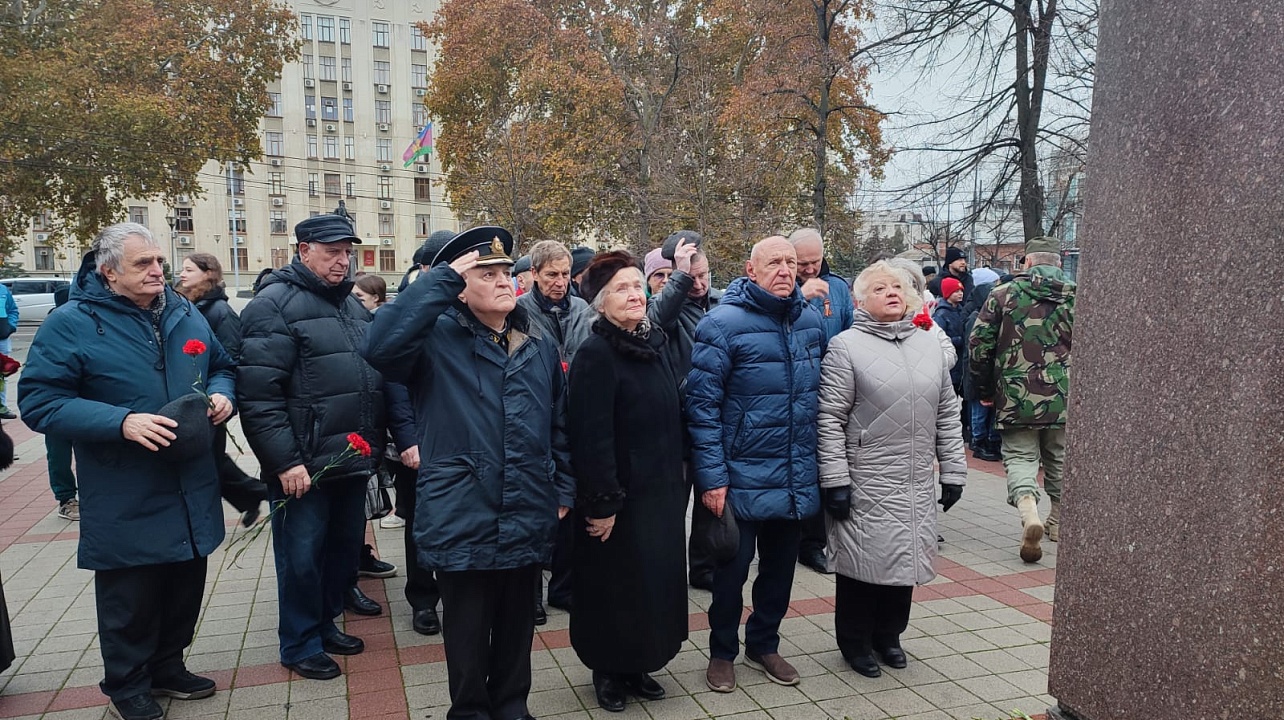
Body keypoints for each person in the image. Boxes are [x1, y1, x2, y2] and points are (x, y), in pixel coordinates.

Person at [19, 223, 235, 720]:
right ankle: (128, 684)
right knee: (131, 597)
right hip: (125, 485)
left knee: (184, 585)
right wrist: (121, 422)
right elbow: (40, 401)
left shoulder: (183, 311)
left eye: (160, 261)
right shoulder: (70, 322)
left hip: (189, 481)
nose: (158, 271)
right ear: (108, 271)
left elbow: (223, 365)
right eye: (143, 263)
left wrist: (223, 395)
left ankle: (168, 667)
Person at [361, 226, 574, 720]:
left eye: (506, 272)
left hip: (526, 503)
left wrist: (563, 486)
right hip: (463, 506)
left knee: (518, 625)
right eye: (486, 273)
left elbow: (559, 422)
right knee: (468, 630)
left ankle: (512, 707)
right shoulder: (433, 340)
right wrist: (438, 281)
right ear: (458, 286)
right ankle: (471, 712)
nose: (503, 281)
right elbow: (379, 347)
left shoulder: (537, 340)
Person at [239, 210, 386, 681]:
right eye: (332, 252)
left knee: (340, 553)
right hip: (303, 465)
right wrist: (284, 462)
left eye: (347, 253)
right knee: (301, 558)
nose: (343, 261)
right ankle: (299, 643)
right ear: (304, 251)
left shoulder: (351, 306)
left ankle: (324, 626)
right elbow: (259, 395)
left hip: (349, 457)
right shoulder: (273, 305)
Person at [686, 235, 824, 693]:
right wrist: (712, 479)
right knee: (731, 572)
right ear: (751, 270)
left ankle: (764, 644)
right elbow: (702, 407)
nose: (785, 270)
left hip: (793, 472)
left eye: (791, 262)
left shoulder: (809, 321)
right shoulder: (721, 324)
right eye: (774, 263)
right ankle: (722, 651)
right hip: (739, 476)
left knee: (780, 572)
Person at [817, 261, 967, 678]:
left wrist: (954, 471)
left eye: (897, 287)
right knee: (863, 564)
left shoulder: (928, 345)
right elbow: (829, 418)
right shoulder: (846, 347)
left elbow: (947, 414)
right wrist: (835, 480)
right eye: (880, 288)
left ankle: (889, 636)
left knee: (904, 560)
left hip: (914, 477)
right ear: (861, 301)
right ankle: (854, 641)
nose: (891, 293)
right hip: (866, 476)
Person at [566, 252, 688, 713]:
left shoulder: (653, 344)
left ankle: (639, 663)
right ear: (600, 302)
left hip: (659, 492)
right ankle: (608, 669)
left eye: (638, 285)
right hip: (618, 499)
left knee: (651, 584)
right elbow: (590, 436)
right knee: (614, 586)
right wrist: (602, 503)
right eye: (622, 288)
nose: (635, 294)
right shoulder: (596, 354)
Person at [969, 236, 1075, 561]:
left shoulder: (1002, 295)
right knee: (1059, 457)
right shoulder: (1078, 296)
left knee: (1019, 457)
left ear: (1027, 262)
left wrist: (985, 390)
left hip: (1015, 394)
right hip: (1065, 394)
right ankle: (1058, 522)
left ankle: (1029, 511)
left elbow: (979, 345)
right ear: (1059, 263)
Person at [515, 239, 591, 620]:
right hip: (535, 418)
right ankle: (530, 595)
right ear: (533, 274)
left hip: (575, 416)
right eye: (551, 275)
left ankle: (564, 587)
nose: (560, 283)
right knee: (536, 507)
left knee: (569, 505)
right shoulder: (518, 313)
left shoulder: (583, 310)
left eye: (565, 274)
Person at [646, 230, 718, 590]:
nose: (699, 284)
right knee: (673, 503)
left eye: (704, 275)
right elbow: (657, 319)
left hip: (714, 419)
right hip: (678, 421)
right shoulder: (667, 304)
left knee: (710, 500)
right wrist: (681, 276)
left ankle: (703, 568)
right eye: (693, 276)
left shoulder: (722, 303)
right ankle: (665, 569)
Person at [176, 253, 266, 526]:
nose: (181, 274)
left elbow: (231, 358)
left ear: (208, 273)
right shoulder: (189, 304)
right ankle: (252, 494)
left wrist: (224, 395)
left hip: (211, 400)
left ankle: (257, 492)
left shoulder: (219, 311)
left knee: (210, 459)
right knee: (210, 459)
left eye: (189, 269)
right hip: (191, 397)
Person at [787, 228, 854, 575]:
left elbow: (851, 332)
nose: (810, 269)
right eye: (803, 263)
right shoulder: (782, 287)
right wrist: (798, 297)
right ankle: (807, 543)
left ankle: (829, 538)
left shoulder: (838, 288)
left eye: (815, 261)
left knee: (831, 463)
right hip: (795, 390)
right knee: (804, 470)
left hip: (833, 389)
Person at [45, 283, 79, 521]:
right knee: (58, 453)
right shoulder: (54, 326)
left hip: (88, 400)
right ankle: (66, 498)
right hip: (58, 403)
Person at [962, 282, 1002, 462]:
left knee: (989, 409)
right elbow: (974, 347)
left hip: (989, 369)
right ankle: (978, 441)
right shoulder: (975, 318)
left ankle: (990, 441)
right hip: (976, 370)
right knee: (979, 410)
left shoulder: (992, 317)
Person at [932, 277, 967, 395]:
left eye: (961, 291)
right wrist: (959, 340)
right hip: (951, 363)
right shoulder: (941, 314)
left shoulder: (962, 310)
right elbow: (938, 339)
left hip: (961, 361)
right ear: (948, 293)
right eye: (956, 291)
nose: (960, 294)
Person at [0, 279, 18, 420]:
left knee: (2, 373)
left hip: (2, 339)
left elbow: (13, 310)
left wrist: (10, 326)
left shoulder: (3, 290)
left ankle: (1, 407)